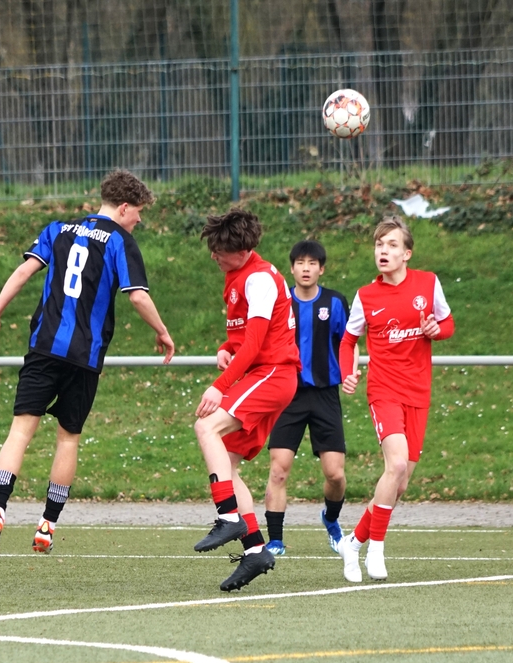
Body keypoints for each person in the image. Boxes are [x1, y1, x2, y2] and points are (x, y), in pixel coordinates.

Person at [0, 169, 174, 560]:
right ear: (124, 207)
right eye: (139, 212)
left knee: (20, 432)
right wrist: (163, 331)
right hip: (85, 356)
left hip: (44, 348)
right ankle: (47, 524)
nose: (139, 221)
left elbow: (23, 271)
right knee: (68, 438)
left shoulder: (57, 230)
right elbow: (137, 296)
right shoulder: (121, 241)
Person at [335, 216, 453, 582]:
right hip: (384, 390)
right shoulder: (366, 295)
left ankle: (353, 542)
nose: (383, 251)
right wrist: (347, 373)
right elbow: (348, 341)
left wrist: (435, 329)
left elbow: (447, 324)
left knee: (398, 483)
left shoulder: (428, 283)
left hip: (418, 392)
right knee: (396, 464)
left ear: (407, 253)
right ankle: (376, 549)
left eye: (391, 245)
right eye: (379, 245)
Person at [192, 208, 300, 591]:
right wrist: (227, 347)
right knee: (228, 462)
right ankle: (255, 550)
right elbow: (245, 338)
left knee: (206, 426)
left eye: (220, 250)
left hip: (273, 373)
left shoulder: (259, 280)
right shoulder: (240, 274)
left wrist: (219, 385)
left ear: (242, 251)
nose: (214, 255)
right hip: (264, 374)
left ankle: (228, 516)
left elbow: (255, 344)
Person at [263, 240, 349, 556]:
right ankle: (275, 541)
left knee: (335, 474)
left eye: (312, 263)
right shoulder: (280, 302)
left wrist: (350, 371)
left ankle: (331, 519)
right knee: (279, 469)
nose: (306, 268)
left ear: (321, 269)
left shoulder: (335, 302)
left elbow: (348, 343)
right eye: (300, 263)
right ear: (292, 268)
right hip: (288, 394)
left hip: (326, 395)